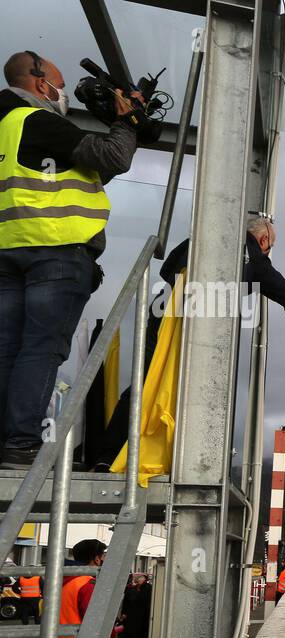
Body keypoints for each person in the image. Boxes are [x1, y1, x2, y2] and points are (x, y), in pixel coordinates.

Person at [90, 214, 285, 468]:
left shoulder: (199, 237)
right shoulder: (256, 260)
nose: (269, 252)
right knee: (195, 395)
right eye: (271, 246)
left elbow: (167, 268)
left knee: (142, 384)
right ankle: (172, 461)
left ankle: (105, 457)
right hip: (201, 336)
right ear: (263, 238)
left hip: (163, 318)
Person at [0, 51, 143, 468]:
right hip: (56, 251)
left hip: (8, 250)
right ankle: (22, 442)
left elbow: (84, 170)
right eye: (59, 84)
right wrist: (127, 121)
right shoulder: (36, 121)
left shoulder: (7, 128)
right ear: (41, 84)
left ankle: (8, 442)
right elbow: (113, 158)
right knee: (41, 348)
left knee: (7, 347)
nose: (63, 94)